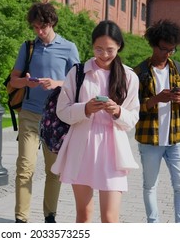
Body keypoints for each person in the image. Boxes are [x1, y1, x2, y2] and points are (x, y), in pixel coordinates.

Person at [51, 20, 140, 223]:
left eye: (110, 49)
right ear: (92, 46)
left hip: (113, 151)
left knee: (110, 218)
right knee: (84, 215)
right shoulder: (78, 72)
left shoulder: (129, 77)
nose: (104, 55)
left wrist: (117, 111)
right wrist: (85, 108)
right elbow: (62, 111)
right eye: (99, 49)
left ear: (119, 46)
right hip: (82, 147)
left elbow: (132, 118)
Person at [9, 2, 80, 223]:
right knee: (25, 167)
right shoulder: (28, 47)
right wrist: (26, 83)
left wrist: (57, 83)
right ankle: (21, 220)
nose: (39, 32)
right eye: (35, 27)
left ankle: (50, 217)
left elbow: (78, 83)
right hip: (29, 114)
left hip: (56, 116)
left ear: (52, 23)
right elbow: (13, 80)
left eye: (43, 27)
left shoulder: (69, 48)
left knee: (53, 170)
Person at [133, 19, 180, 223]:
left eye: (172, 50)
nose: (168, 53)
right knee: (150, 185)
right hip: (150, 139)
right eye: (164, 49)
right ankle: (154, 225)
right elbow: (132, 108)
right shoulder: (139, 72)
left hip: (177, 138)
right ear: (153, 44)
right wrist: (155, 100)